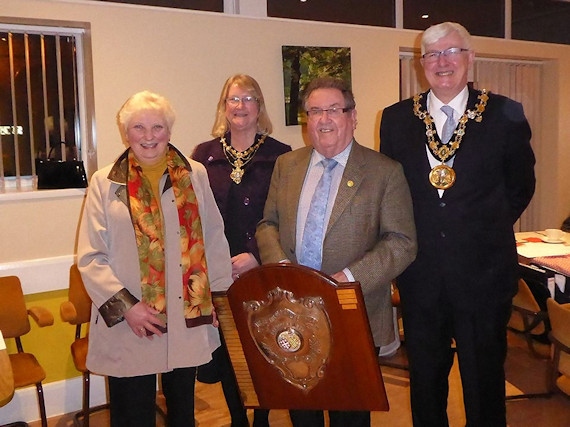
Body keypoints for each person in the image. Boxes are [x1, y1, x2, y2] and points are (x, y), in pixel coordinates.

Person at [379, 22, 536, 427]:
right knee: (426, 384)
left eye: (451, 52)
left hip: (484, 276)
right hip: (421, 277)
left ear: (470, 57)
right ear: (421, 64)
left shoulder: (505, 113)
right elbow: (393, 196)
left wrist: (478, 231)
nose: (442, 62)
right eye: (432, 54)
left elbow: (521, 186)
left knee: (484, 384)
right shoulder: (396, 119)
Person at [256, 76, 417, 427]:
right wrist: (282, 267)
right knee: (303, 411)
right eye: (314, 111)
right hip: (292, 314)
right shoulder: (288, 165)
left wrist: (345, 280)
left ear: (353, 116)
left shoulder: (384, 172)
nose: (323, 119)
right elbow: (267, 224)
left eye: (333, 109)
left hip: (353, 313)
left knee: (350, 416)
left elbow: (402, 242)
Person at [77, 90, 233, 427]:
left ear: (170, 131)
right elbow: (91, 257)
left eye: (157, 127)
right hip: (130, 322)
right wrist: (127, 308)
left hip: (185, 317)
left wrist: (220, 300)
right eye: (139, 127)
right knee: (132, 416)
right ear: (126, 132)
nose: (149, 137)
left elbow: (214, 241)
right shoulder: (105, 183)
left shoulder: (195, 175)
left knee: (183, 416)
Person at [193, 74, 291, 427]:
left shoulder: (280, 156)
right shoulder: (204, 156)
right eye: (233, 99)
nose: (240, 106)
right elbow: (196, 214)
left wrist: (255, 254)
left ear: (259, 107)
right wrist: (215, 263)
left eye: (248, 99)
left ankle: (262, 419)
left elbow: (283, 215)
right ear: (224, 107)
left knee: (262, 349)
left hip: (260, 268)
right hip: (218, 272)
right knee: (229, 351)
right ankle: (238, 419)